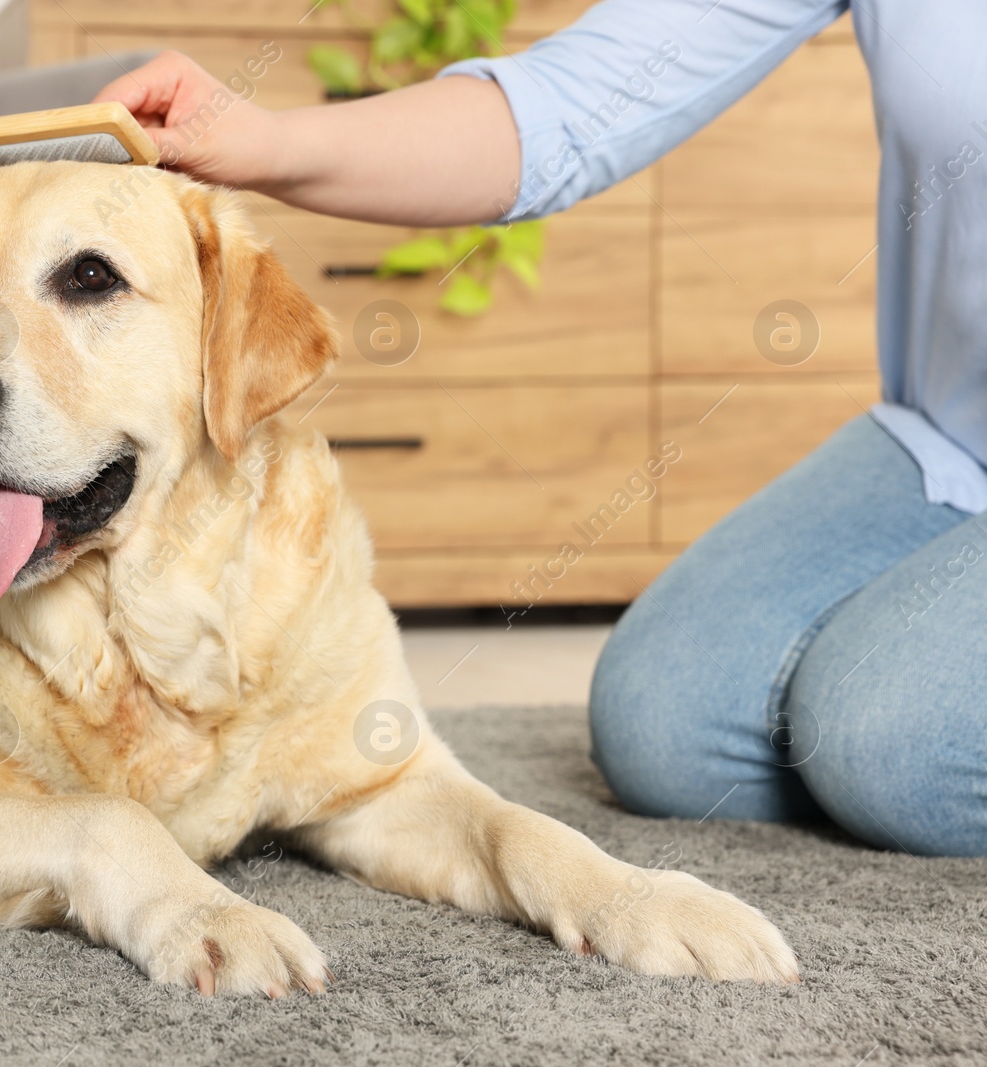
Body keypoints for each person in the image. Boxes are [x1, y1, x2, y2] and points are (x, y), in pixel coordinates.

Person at [94, 0, 987, 857]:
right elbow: (573, 107)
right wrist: (262, 139)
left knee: (888, 746)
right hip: (950, 438)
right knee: (667, 723)